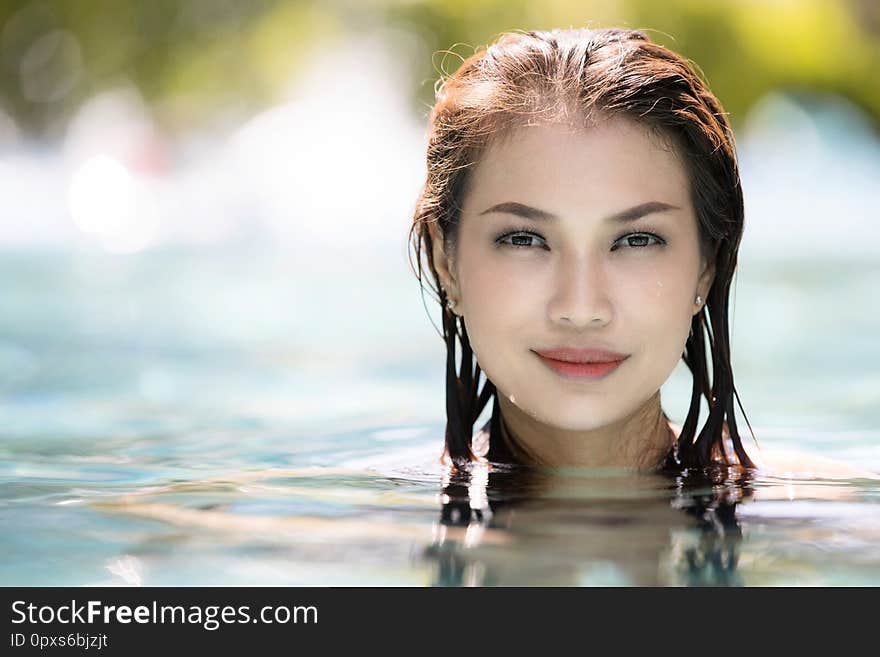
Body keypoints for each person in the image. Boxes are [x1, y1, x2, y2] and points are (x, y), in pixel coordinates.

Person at [409, 27, 875, 479]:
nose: (581, 309)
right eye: (524, 238)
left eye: (636, 240)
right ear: (445, 260)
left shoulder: (827, 521)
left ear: (705, 266)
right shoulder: (367, 531)